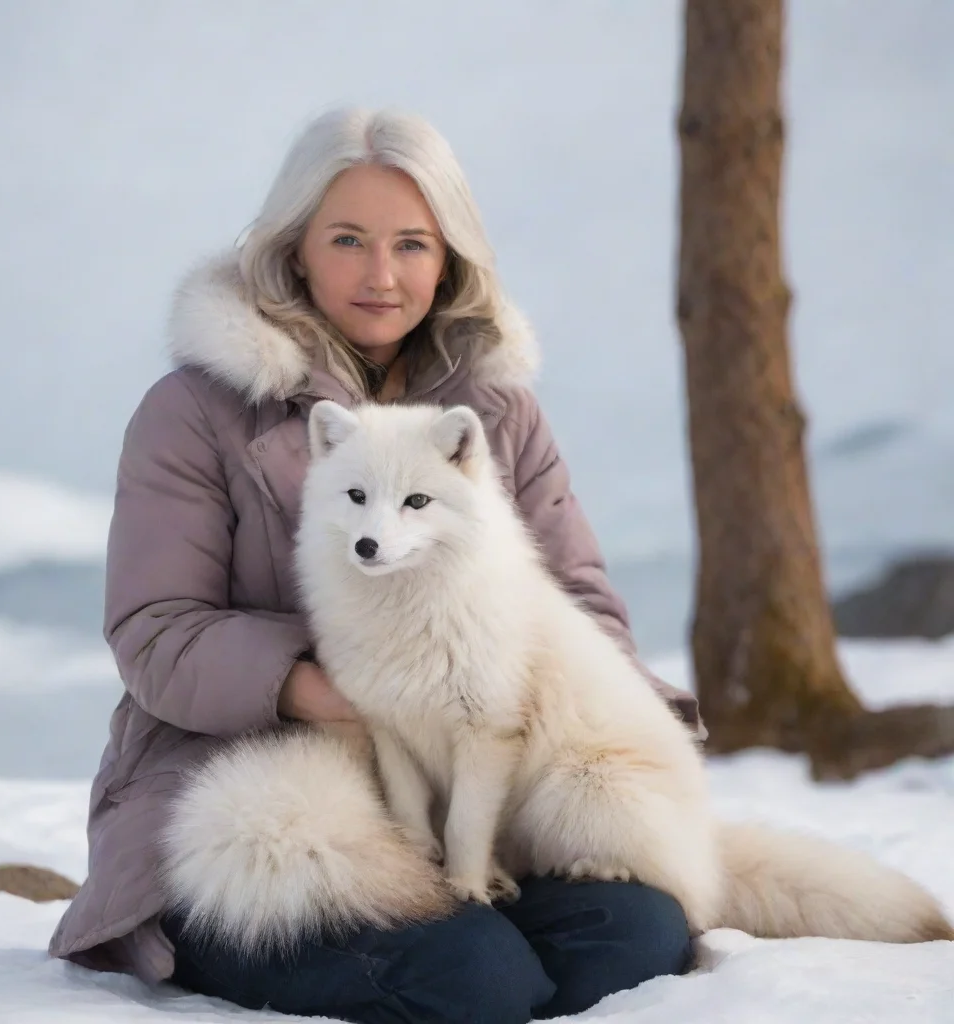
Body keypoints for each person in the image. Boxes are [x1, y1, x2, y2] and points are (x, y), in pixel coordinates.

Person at [49, 107, 704, 1023]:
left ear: (450, 260)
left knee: (630, 937)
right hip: (259, 795)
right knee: (473, 982)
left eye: (413, 244)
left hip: (478, 796)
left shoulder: (496, 413)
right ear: (295, 248)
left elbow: (582, 606)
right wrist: (329, 687)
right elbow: (155, 634)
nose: (382, 275)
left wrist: (603, 742)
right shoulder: (197, 409)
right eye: (348, 239)